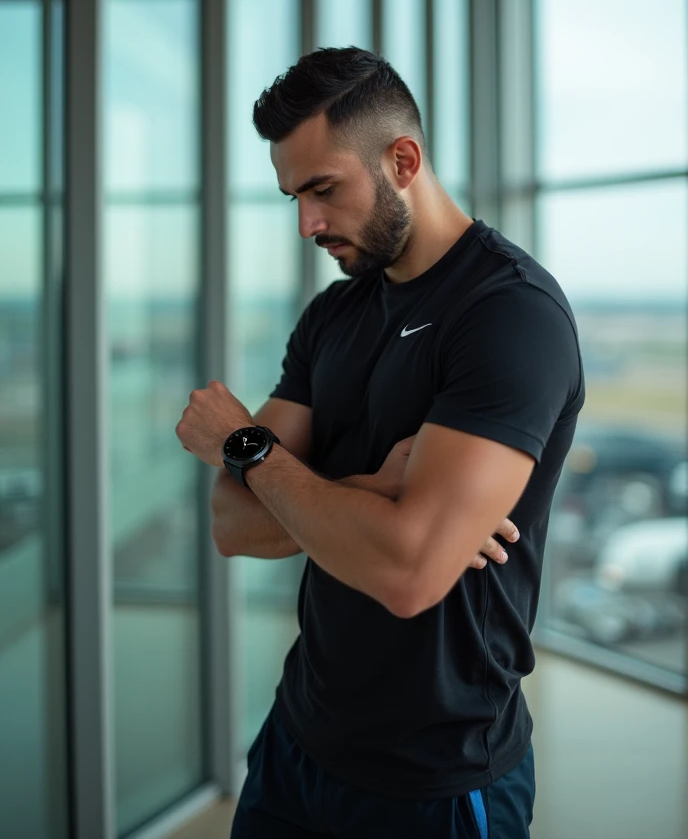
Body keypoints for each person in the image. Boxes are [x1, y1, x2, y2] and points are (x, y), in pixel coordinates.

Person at [175, 47, 585, 838]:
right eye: (294, 196)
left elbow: (406, 573)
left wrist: (248, 448)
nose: (307, 224)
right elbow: (230, 526)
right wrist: (367, 492)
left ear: (403, 160)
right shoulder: (333, 315)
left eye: (323, 189)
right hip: (298, 740)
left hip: (437, 777)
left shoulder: (509, 316)